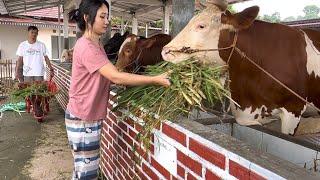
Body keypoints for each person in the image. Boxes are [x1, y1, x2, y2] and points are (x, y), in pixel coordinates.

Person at [66, 0, 170, 179]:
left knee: (83, 169)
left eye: (107, 16)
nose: (107, 21)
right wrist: (155, 79)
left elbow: (102, 77)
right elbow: (114, 75)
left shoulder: (96, 44)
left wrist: (116, 82)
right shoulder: (87, 47)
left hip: (86, 115)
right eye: (102, 16)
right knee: (87, 173)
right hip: (83, 118)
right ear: (87, 17)